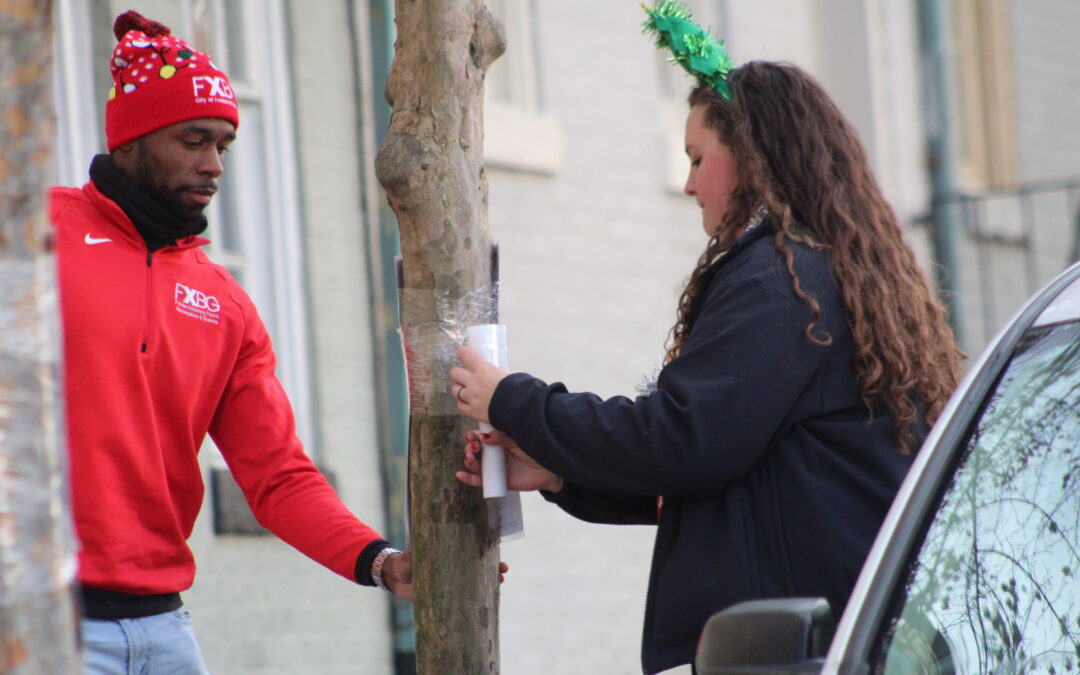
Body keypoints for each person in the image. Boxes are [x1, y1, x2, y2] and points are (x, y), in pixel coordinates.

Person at [449, 7, 963, 674]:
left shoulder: (782, 279)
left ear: (750, 159)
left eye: (697, 159)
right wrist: (559, 471)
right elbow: (736, 468)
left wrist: (511, 400)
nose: (690, 183)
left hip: (801, 651)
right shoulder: (820, 271)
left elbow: (681, 438)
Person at [50, 11, 414, 673]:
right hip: (42, 624)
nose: (213, 164)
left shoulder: (224, 302)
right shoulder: (35, 233)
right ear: (132, 137)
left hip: (163, 630)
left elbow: (277, 476)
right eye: (193, 139)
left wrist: (380, 561)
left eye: (223, 144)